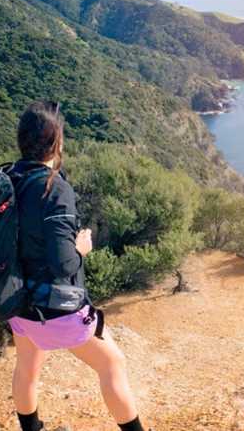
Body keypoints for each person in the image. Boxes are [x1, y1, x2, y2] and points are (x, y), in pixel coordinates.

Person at [8, 100, 145, 431]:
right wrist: (81, 248)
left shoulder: (8, 178)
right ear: (57, 143)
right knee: (113, 364)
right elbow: (62, 263)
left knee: (27, 366)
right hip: (54, 306)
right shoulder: (54, 189)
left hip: (16, 302)